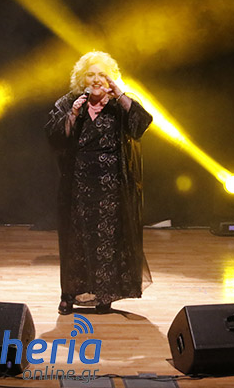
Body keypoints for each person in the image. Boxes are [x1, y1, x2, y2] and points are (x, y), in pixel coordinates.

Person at [45, 51, 153, 314]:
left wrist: (120, 94)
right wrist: (73, 114)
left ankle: (105, 295)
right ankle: (69, 295)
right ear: (82, 79)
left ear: (110, 78)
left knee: (107, 241)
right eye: (90, 75)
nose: (96, 80)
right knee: (75, 241)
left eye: (102, 75)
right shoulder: (69, 102)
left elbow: (142, 124)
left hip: (111, 186)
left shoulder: (120, 104)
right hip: (77, 185)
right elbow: (54, 136)